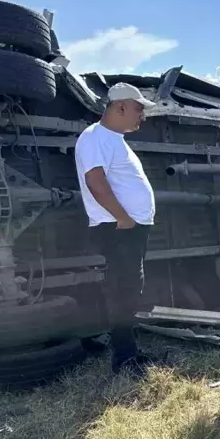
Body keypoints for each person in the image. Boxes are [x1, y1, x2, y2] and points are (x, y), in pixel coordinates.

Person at [75, 83, 157, 376]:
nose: (142, 116)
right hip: (118, 228)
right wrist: (123, 217)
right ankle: (124, 360)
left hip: (128, 228)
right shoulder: (95, 137)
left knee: (129, 291)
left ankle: (129, 352)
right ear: (120, 106)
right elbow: (95, 181)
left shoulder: (114, 140)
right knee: (123, 292)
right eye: (138, 109)